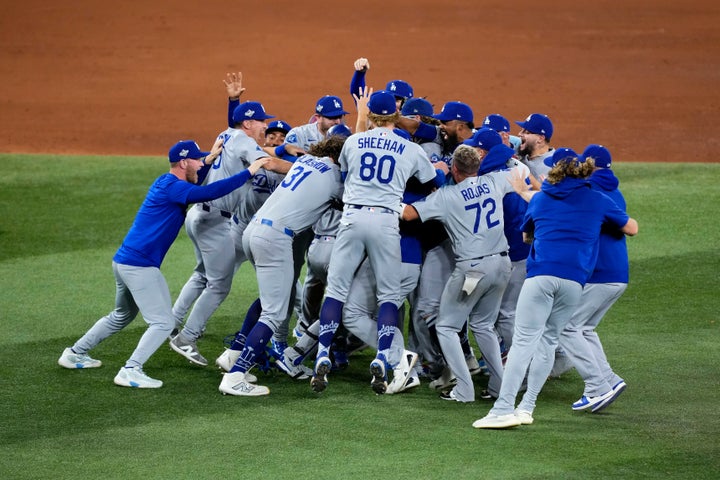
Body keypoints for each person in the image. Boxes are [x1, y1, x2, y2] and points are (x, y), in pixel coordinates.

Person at [58, 139, 269, 388]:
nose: (202, 164)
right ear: (183, 162)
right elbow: (208, 192)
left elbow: (196, 178)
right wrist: (249, 171)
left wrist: (209, 159)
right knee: (164, 323)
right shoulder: (175, 188)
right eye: (197, 160)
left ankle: (75, 352)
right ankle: (131, 369)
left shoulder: (167, 181)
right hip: (139, 266)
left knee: (122, 315)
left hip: (125, 261)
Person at [472, 147, 638, 429]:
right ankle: (526, 408)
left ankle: (502, 409)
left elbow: (526, 236)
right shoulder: (598, 199)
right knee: (549, 341)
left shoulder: (542, 200)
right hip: (574, 283)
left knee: (524, 342)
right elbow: (631, 227)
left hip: (542, 277)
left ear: (557, 171)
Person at [310, 90, 439, 395]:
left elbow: (348, 166)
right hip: (385, 222)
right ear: (396, 115)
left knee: (336, 291)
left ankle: (322, 352)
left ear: (370, 116)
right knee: (388, 296)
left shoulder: (353, 142)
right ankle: (382, 356)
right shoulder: (409, 148)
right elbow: (431, 181)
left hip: (352, 219)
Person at [218, 135, 346, 396]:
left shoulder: (307, 162)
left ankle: (235, 354)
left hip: (252, 230)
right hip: (276, 237)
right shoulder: (336, 178)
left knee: (275, 297)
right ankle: (236, 376)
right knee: (275, 314)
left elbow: (279, 165)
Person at [169, 100, 286, 367]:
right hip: (214, 221)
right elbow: (266, 162)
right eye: (260, 121)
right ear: (247, 124)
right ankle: (186, 337)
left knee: (203, 274)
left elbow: (237, 136)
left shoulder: (226, 134)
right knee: (219, 285)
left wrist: (234, 102)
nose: (265, 125)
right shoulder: (243, 140)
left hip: (199, 214)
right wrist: (303, 169)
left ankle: (173, 322)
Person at [401, 144, 517, 402]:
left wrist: (382, 198)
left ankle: (464, 390)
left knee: (446, 326)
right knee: (483, 324)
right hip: (502, 263)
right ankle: (499, 387)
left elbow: (408, 214)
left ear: (454, 168)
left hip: (473, 270)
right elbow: (520, 176)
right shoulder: (494, 181)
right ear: (477, 167)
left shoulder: (446, 196)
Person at [557, 144, 631, 412]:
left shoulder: (592, 192)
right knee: (584, 327)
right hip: (617, 274)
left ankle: (596, 386)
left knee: (567, 326)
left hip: (600, 274)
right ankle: (609, 379)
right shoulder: (613, 190)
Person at [514, 113, 555, 179]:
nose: (519, 134)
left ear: (540, 139)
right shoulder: (522, 151)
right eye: (521, 130)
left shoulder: (553, 167)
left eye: (526, 132)